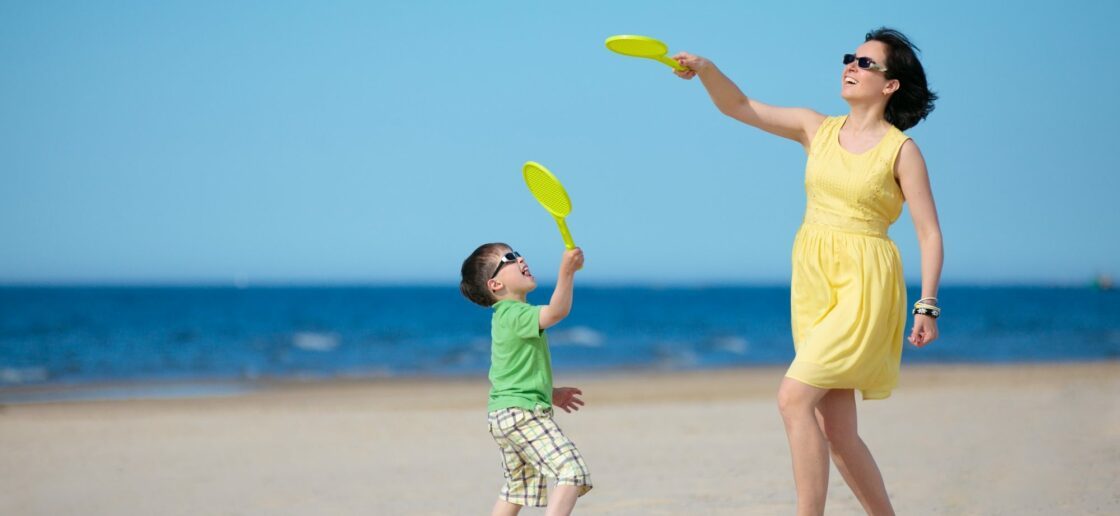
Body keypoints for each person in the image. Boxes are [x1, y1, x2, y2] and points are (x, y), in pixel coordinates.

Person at [673, 27, 943, 515]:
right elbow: (738, 106)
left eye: (866, 63)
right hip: (814, 280)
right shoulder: (814, 127)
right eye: (850, 59)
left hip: (866, 283)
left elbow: (929, 233)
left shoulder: (901, 151)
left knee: (793, 398)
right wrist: (707, 70)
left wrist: (927, 305)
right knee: (837, 433)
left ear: (891, 85)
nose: (851, 67)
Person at [460, 243, 592, 516]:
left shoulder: (507, 317)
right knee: (570, 470)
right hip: (522, 414)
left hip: (503, 413)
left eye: (517, 253)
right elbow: (556, 312)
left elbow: (516, 372)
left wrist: (551, 393)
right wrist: (566, 273)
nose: (520, 258)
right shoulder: (513, 313)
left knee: (518, 487)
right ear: (495, 284)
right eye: (509, 258)